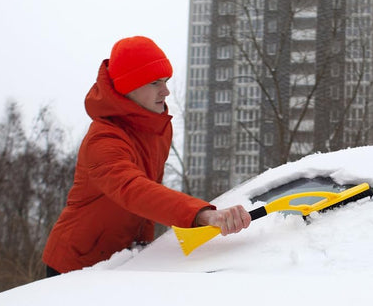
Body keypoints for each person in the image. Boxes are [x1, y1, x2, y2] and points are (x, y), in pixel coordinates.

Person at [42, 36, 250, 275]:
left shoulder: (157, 128)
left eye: (166, 81)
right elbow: (136, 190)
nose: (166, 91)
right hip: (75, 266)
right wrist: (201, 214)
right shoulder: (103, 140)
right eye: (155, 83)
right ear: (127, 87)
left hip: (124, 257)